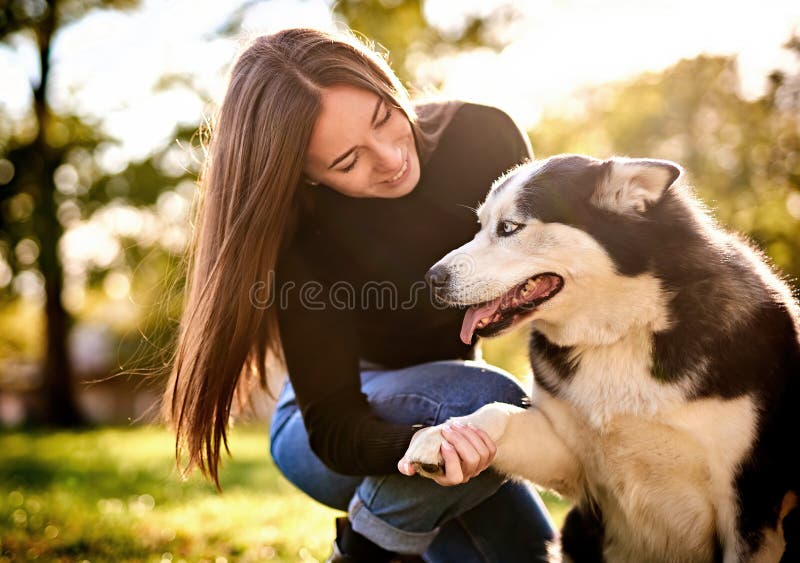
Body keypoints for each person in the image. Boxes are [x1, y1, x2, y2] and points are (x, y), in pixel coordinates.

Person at [163, 27, 557, 562]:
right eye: (348, 162)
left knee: (531, 552)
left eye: (383, 118)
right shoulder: (302, 237)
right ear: (307, 176)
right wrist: (423, 446)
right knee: (486, 407)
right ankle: (364, 551)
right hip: (330, 426)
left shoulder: (486, 137)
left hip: (450, 398)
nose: (391, 158)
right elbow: (333, 425)